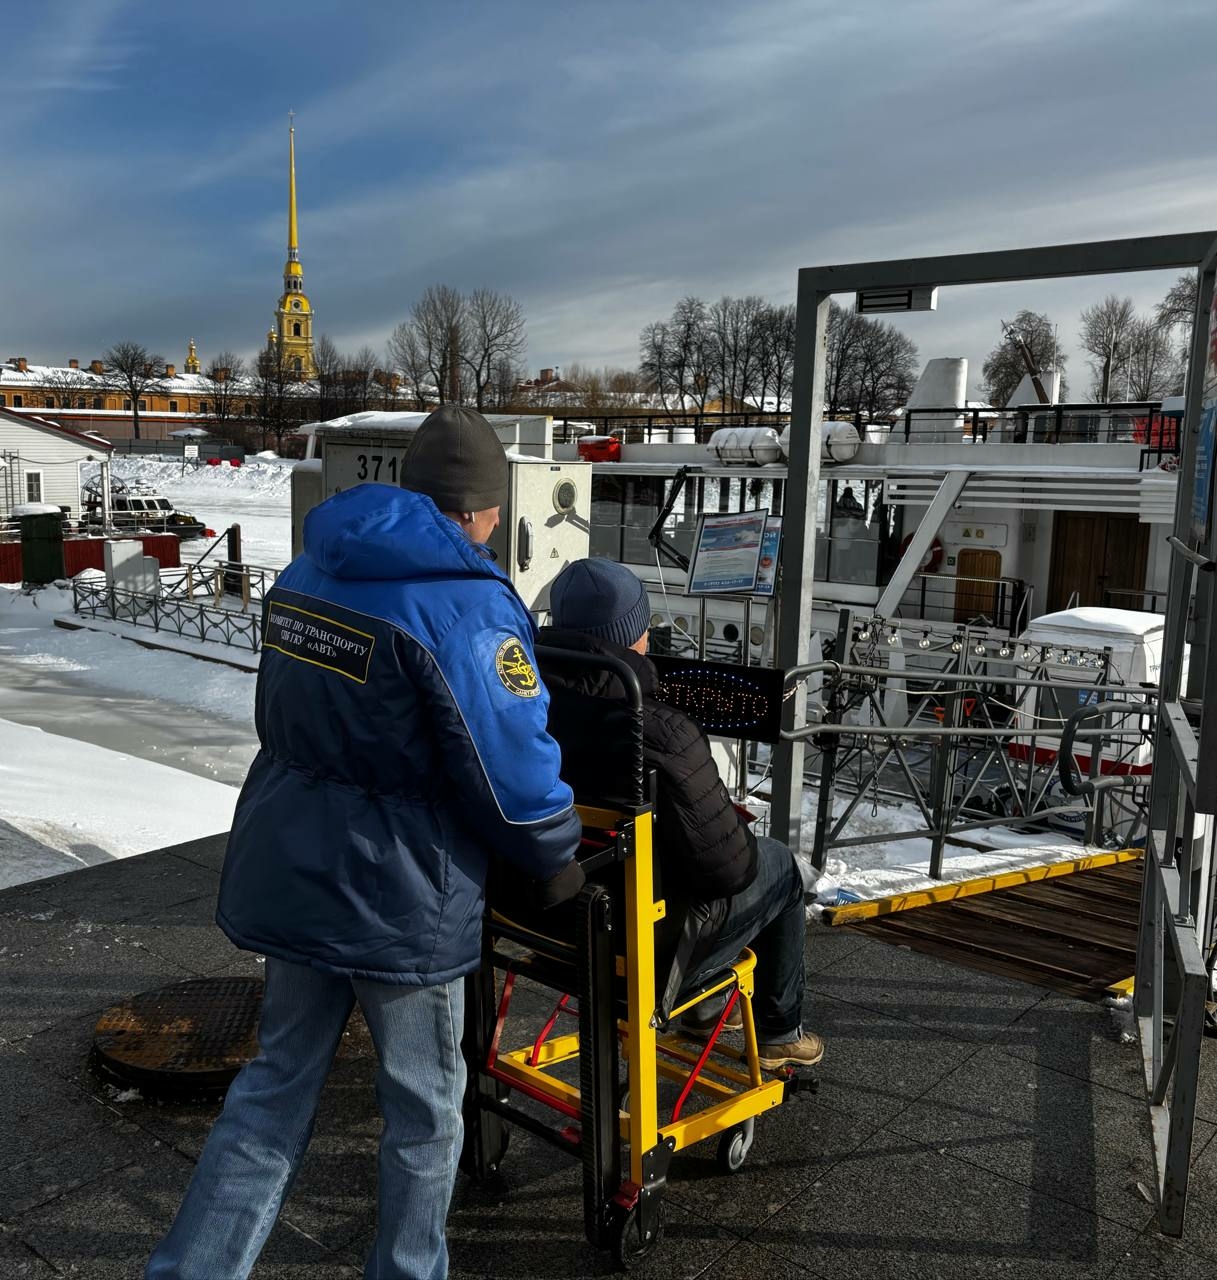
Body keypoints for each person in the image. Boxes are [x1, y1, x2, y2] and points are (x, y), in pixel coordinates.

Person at [146, 405, 584, 1280]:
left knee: (271, 1091)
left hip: (294, 859)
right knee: (425, 1110)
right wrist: (554, 854)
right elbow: (512, 773)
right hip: (399, 893)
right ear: (480, 507)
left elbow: (284, 714)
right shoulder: (465, 603)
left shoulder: (314, 565)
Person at [538, 557, 822, 1069]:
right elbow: (732, 871)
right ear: (632, 636)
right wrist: (728, 824)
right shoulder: (659, 730)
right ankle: (779, 1030)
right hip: (644, 944)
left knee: (680, 854)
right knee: (778, 865)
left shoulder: (529, 703)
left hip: (550, 922)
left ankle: (709, 1009)